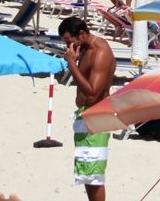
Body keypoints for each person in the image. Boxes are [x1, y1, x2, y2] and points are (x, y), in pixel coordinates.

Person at [58, 16, 116, 201]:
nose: (68, 47)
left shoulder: (100, 51)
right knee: (86, 172)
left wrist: (72, 65)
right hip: (86, 115)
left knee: (93, 175)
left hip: (96, 116)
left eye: (69, 42)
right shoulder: (83, 49)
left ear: (81, 34)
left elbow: (93, 93)